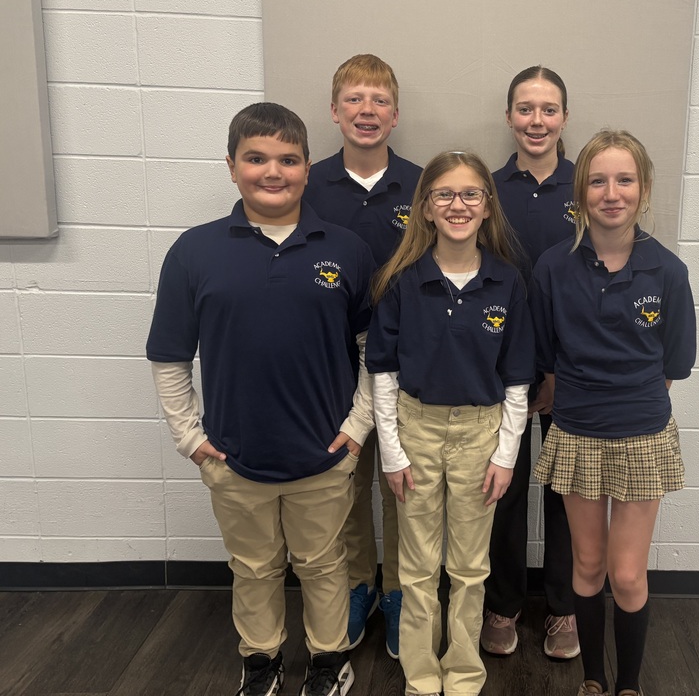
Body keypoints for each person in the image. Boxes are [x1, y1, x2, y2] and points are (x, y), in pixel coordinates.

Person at [147, 102, 376, 696]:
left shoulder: (347, 249)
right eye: (256, 159)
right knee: (252, 569)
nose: (272, 172)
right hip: (234, 457)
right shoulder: (194, 252)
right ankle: (262, 660)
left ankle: (329, 660)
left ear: (306, 169)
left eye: (288, 159)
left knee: (326, 567)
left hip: (325, 454)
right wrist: (190, 440)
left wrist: (356, 430)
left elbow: (375, 351)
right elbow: (170, 356)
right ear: (231, 166)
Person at [530, 130, 696, 696]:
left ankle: (629, 684)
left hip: (641, 436)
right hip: (576, 432)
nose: (612, 192)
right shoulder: (552, 268)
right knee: (587, 566)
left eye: (625, 180)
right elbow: (545, 354)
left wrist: (626, 400)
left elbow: (675, 361)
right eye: (598, 180)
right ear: (580, 194)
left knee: (626, 575)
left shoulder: (668, 273)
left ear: (643, 190)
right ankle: (594, 680)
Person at [366, 151, 535, 696]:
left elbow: (516, 379)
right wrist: (391, 452)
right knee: (416, 567)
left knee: (468, 566)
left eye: (470, 194)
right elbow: (385, 372)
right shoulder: (401, 280)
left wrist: (506, 454)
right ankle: (421, 673)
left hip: (480, 436)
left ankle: (462, 673)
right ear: (425, 208)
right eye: (444, 194)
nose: (457, 204)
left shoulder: (506, 283)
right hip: (415, 431)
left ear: (487, 207)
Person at [304, 54, 422, 659]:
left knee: (401, 482)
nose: (366, 111)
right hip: (333, 362)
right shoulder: (309, 184)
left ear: (395, 114)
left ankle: (401, 590)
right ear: (334, 111)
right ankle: (359, 584)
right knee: (343, 477)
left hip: (408, 361)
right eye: (354, 99)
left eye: (378, 101)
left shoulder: (423, 184)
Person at [482, 66, 578, 659]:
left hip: (573, 371)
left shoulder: (589, 187)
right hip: (503, 370)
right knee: (505, 488)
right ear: (509, 116)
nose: (536, 121)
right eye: (525, 108)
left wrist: (559, 370)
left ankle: (564, 610)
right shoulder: (487, 192)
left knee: (566, 491)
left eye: (548, 109)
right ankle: (504, 603)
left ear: (565, 116)